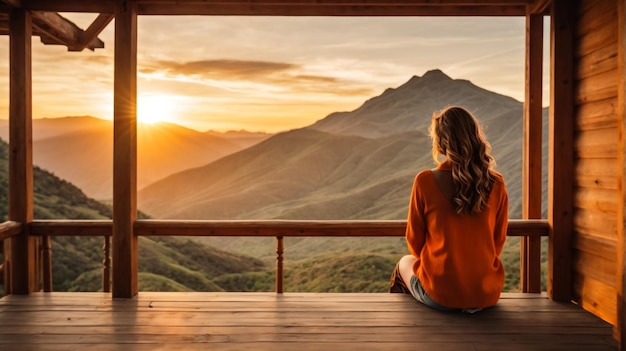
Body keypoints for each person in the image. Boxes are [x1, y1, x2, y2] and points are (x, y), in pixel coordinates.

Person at [390, 106, 508, 313]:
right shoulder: (497, 184)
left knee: (404, 263)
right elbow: (497, 242)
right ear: (474, 136)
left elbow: (415, 243)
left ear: (441, 142)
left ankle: (406, 324)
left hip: (441, 295)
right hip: (485, 294)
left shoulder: (425, 181)